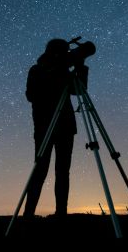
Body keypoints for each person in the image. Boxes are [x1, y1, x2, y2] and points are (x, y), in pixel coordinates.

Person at [23, 38, 88, 217]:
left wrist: (80, 67)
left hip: (65, 127)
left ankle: (61, 213)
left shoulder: (66, 72)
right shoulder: (37, 70)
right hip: (45, 126)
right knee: (40, 170)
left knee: (62, 172)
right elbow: (31, 95)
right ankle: (28, 213)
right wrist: (54, 75)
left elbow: (80, 91)